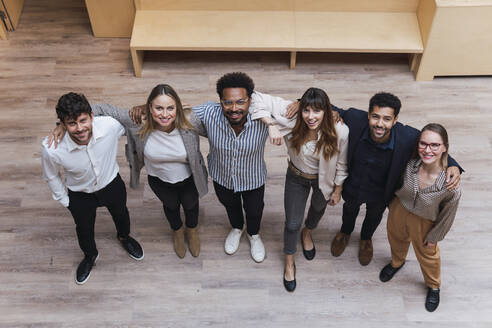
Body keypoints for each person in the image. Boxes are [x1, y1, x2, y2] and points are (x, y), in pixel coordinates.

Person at [286, 92, 462, 266]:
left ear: (395, 120)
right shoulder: (355, 118)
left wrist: (452, 164)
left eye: (387, 119)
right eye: (375, 117)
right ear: (368, 115)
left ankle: (366, 239)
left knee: (374, 216)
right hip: (353, 185)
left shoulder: (407, 136)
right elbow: (325, 106)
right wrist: (300, 102)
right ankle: (345, 232)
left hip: (381, 191)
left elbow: (431, 144)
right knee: (349, 210)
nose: (380, 124)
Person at [129, 72, 283, 263]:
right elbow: (174, 111)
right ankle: (236, 228)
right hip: (222, 176)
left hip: (253, 177)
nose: (234, 108)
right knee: (230, 206)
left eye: (241, 102)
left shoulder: (263, 115)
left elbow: (299, 108)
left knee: (254, 210)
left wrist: (271, 122)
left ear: (251, 101)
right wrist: (146, 107)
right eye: (228, 102)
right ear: (220, 101)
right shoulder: (209, 112)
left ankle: (253, 235)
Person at [49, 84, 208, 259]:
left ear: (177, 107)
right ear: (149, 107)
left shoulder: (190, 120)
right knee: (170, 206)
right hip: (160, 180)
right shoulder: (139, 121)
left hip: (191, 177)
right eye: (158, 108)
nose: (164, 114)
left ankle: (192, 230)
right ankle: (177, 231)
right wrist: (64, 123)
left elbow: (216, 118)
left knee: (191, 205)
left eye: (170, 108)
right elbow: (100, 109)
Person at [249, 88, 349, 292]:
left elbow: (342, 163)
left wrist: (338, 189)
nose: (311, 117)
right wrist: (271, 125)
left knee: (317, 210)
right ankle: (289, 262)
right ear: (300, 109)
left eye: (317, 111)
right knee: (292, 223)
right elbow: (254, 97)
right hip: (296, 177)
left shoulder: (340, 131)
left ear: (326, 111)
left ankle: (308, 232)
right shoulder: (291, 117)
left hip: (324, 181)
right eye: (306, 110)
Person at [42, 92, 144, 285]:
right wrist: (65, 201)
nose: (80, 129)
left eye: (83, 120)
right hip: (80, 195)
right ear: (62, 124)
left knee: (121, 213)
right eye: (72, 123)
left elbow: (137, 120)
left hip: (111, 184)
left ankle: (124, 237)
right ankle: (90, 256)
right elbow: (51, 175)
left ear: (91, 116)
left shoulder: (109, 125)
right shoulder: (52, 148)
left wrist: (142, 108)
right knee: (84, 228)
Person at [379, 123, 461, 312]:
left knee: (428, 255)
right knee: (396, 239)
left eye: (434, 145)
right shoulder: (409, 164)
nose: (428, 150)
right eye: (423, 144)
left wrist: (434, 237)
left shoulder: (450, 185)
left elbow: (448, 216)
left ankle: (433, 285)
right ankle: (397, 262)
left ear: (444, 147)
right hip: (400, 209)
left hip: (425, 220)